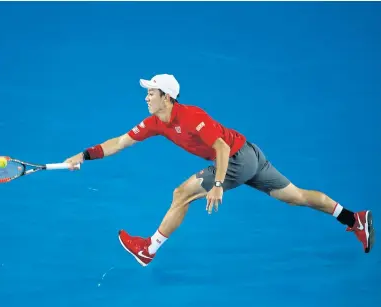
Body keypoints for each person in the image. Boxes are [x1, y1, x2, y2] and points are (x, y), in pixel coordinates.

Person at [64, 74, 375, 266]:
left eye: (151, 92)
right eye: (147, 92)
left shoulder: (190, 116)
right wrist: (83, 155)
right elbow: (119, 142)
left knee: (182, 193)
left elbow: (222, 149)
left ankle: (149, 249)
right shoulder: (155, 122)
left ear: (167, 98)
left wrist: (217, 184)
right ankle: (353, 218)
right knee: (296, 196)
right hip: (251, 154)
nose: (146, 96)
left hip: (237, 157)